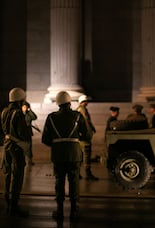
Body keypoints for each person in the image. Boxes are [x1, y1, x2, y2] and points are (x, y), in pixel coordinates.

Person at [41, 91, 88, 220]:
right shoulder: (78, 116)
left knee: (59, 181)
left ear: (58, 103)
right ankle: (74, 211)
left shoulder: (51, 117)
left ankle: (60, 210)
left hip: (58, 154)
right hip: (74, 154)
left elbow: (45, 139)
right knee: (74, 181)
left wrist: (56, 144)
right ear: (69, 103)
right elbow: (87, 135)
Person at [0, 87, 30, 217]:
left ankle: (8, 202)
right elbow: (23, 133)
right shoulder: (18, 113)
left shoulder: (3, 112)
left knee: (8, 174)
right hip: (16, 148)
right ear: (20, 100)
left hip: (7, 146)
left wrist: (6, 136)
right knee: (17, 176)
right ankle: (14, 206)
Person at [77, 95, 99, 181]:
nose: (88, 102)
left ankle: (77, 173)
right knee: (86, 154)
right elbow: (86, 121)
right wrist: (90, 131)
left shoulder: (78, 109)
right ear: (83, 101)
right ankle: (88, 173)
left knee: (80, 156)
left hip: (80, 136)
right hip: (84, 137)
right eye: (86, 101)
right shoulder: (82, 109)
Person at [22, 101, 38, 166]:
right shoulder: (19, 114)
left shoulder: (28, 114)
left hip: (28, 132)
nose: (25, 108)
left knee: (29, 147)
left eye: (26, 107)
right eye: (24, 107)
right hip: (21, 132)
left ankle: (29, 161)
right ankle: (22, 160)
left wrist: (30, 110)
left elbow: (34, 117)